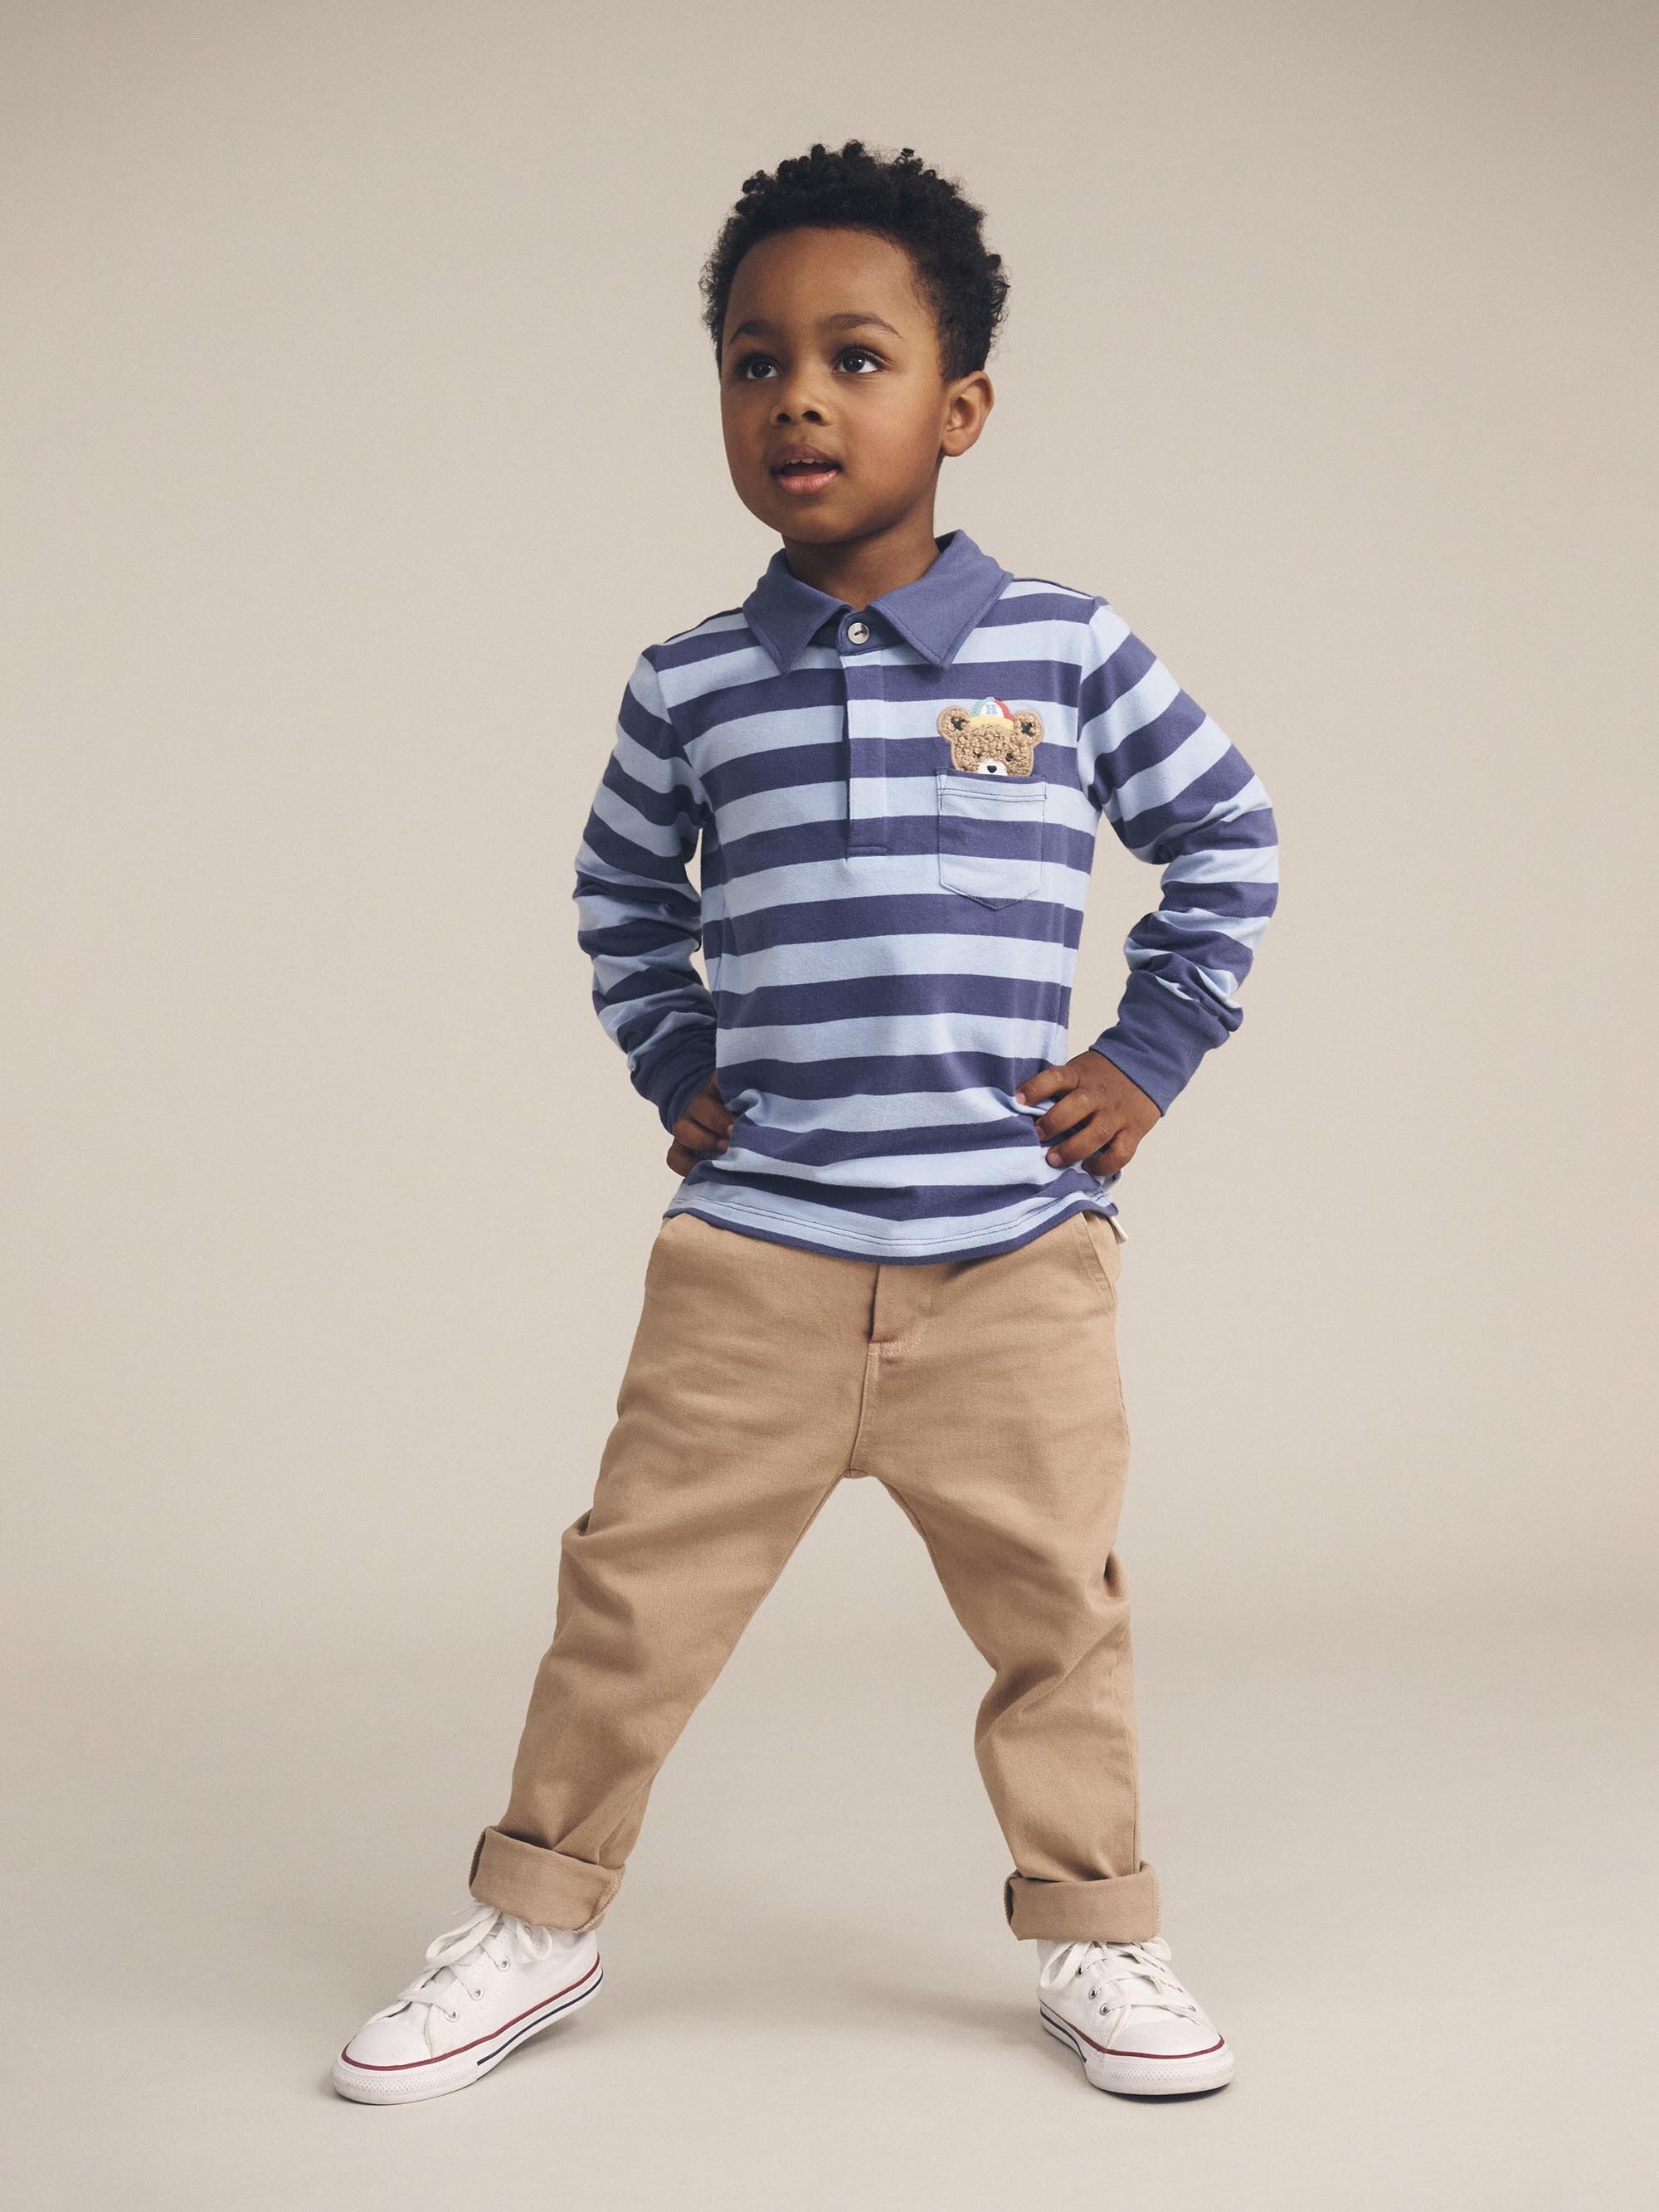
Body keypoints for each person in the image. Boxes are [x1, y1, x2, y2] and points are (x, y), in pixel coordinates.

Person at [331, 139, 1278, 2107]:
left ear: (961, 407)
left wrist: (1150, 1050)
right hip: (756, 1254)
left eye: (855, 359)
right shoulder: (690, 684)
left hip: (1009, 1260)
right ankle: (538, 1915)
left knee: (1059, 1617)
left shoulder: (1063, 649)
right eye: (755, 364)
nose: (799, 402)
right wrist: (673, 1056)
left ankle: (1099, 1927)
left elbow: (1226, 836)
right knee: (628, 1597)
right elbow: (619, 894)